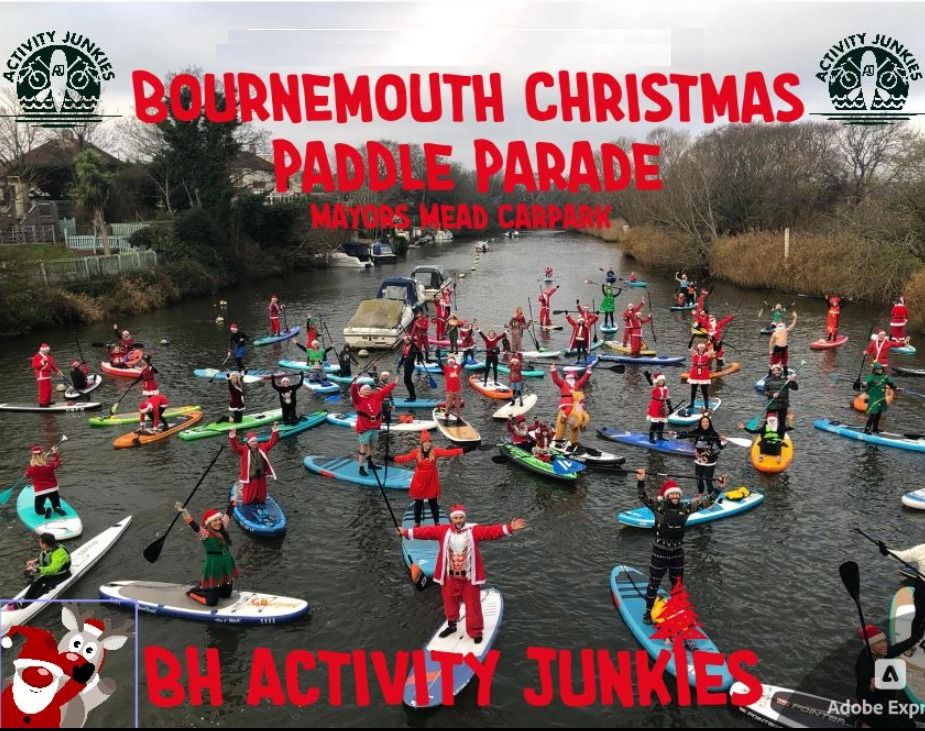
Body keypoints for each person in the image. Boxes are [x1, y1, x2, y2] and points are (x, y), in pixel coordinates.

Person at [396, 505, 526, 641]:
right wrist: (405, 532)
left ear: (465, 518)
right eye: (456, 518)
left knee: (473, 605)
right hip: (449, 578)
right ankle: (452, 626)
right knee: (449, 603)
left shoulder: (473, 531)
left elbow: (491, 532)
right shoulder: (442, 531)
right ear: (452, 519)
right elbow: (425, 532)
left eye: (461, 517)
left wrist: (510, 528)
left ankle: (475, 632)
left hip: (468, 579)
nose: (459, 520)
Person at [636, 468, 726, 624]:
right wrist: (641, 480)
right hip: (660, 553)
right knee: (654, 583)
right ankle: (648, 613)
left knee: (678, 585)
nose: (675, 496)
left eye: (677, 493)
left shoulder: (686, 508)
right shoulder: (658, 507)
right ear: (666, 496)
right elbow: (642, 497)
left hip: (677, 553)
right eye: (672, 493)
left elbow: (707, 502)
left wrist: (718, 488)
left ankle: (677, 612)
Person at [176, 495, 239, 607]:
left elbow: (229, 513)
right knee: (211, 603)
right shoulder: (205, 533)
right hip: (213, 566)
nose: (218, 522)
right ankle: (193, 592)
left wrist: (235, 497)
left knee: (226, 595)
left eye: (219, 519)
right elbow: (194, 526)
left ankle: (206, 587)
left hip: (225, 563)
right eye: (214, 520)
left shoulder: (222, 526)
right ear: (209, 523)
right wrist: (184, 512)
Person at [854, 623, 921, 728]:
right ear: (870, 645)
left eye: (884, 641)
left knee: (911, 726)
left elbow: (898, 648)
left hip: (888, 703)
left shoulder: (882, 652)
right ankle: (865, 722)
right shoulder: (864, 665)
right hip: (873, 709)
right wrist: (871, 688)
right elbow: (862, 694)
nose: (884, 645)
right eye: (878, 643)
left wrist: (916, 637)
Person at [392, 431, 463, 527]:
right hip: (419, 482)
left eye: (429, 441)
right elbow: (404, 458)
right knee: (418, 504)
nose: (428, 443)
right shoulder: (416, 452)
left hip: (431, 481)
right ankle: (417, 523)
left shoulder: (435, 451)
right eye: (425, 441)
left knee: (433, 504)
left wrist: (465, 449)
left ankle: (437, 523)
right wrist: (391, 458)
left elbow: (449, 453)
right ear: (422, 442)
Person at [4, 533, 71, 610]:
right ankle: (25, 600)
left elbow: (53, 568)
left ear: (45, 544)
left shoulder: (59, 553)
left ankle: (26, 605)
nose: (39, 543)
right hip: (51, 575)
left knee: (43, 589)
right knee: (35, 584)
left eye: (40, 542)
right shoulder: (49, 548)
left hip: (61, 575)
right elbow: (47, 558)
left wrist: (37, 569)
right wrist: (34, 561)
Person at [351, 376, 396, 476]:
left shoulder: (376, 396)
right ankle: (361, 467)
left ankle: (370, 463)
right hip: (364, 428)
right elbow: (353, 393)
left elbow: (385, 390)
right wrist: (354, 383)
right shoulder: (358, 400)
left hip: (375, 427)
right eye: (365, 389)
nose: (367, 390)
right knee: (364, 447)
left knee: (373, 446)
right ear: (361, 392)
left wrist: (394, 383)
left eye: (369, 389)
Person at [229, 426, 279, 504]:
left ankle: (259, 499)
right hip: (250, 478)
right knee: (247, 501)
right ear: (249, 442)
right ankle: (241, 492)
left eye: (256, 441)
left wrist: (275, 431)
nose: (255, 443)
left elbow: (273, 442)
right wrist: (232, 436)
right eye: (253, 441)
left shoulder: (263, 447)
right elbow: (235, 446)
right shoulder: (244, 450)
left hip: (261, 476)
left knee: (262, 499)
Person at [678, 415, 726, 495]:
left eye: (707, 422)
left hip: (709, 461)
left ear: (709, 423)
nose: (705, 423)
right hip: (699, 460)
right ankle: (700, 495)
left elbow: (720, 447)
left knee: (708, 480)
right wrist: (677, 434)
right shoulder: (697, 432)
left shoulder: (714, 434)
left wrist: (723, 441)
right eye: (703, 422)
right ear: (701, 423)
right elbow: (686, 434)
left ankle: (711, 496)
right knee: (699, 479)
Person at [550, 364, 591, 446]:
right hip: (565, 406)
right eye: (570, 377)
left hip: (576, 408)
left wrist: (588, 371)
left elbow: (585, 379)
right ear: (566, 378)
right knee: (561, 424)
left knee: (575, 425)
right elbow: (555, 379)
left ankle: (574, 442)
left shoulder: (577, 384)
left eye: (572, 378)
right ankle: (558, 441)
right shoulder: (563, 383)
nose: (571, 379)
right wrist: (553, 370)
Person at [25, 444, 65, 517]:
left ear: (33, 457)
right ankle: (56, 508)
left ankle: (45, 510)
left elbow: (27, 476)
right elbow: (58, 462)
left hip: (41, 492)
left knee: (38, 509)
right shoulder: (50, 465)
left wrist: (27, 473)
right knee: (56, 504)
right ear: (43, 455)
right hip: (53, 489)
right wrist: (55, 453)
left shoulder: (31, 469)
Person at [858, 361, 896, 434]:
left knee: (879, 414)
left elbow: (891, 384)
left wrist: (896, 388)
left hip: (881, 398)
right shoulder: (871, 377)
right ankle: (866, 429)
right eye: (878, 369)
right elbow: (864, 385)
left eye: (881, 369)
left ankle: (875, 429)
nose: (880, 370)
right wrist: (864, 384)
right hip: (874, 398)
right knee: (873, 414)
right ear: (875, 370)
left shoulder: (885, 376)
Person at [763, 363, 798, 436]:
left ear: (780, 371)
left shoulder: (786, 380)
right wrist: (772, 394)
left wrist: (793, 381)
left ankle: (781, 437)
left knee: (782, 423)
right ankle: (767, 437)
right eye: (774, 370)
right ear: (772, 371)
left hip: (783, 405)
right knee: (768, 422)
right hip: (772, 405)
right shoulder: (768, 380)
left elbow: (795, 388)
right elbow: (764, 392)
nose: (776, 372)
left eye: (778, 370)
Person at [686, 342, 714, 414]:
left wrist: (716, 343)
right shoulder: (694, 353)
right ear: (698, 348)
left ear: (704, 349)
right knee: (693, 390)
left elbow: (715, 349)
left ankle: (706, 406)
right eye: (700, 348)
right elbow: (689, 347)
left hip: (704, 373)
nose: (701, 349)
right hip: (695, 373)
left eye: (702, 348)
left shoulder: (707, 354)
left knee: (704, 391)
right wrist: (692, 339)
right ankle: (692, 404)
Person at [646, 372, 672, 443]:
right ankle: (651, 437)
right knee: (654, 423)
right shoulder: (655, 387)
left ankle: (659, 436)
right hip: (655, 405)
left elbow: (667, 397)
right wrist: (648, 378)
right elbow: (651, 383)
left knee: (661, 422)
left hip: (662, 405)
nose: (661, 382)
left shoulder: (665, 388)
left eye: (662, 380)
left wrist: (670, 407)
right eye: (660, 380)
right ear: (657, 381)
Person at [397, 334, 423, 401]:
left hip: (410, 365)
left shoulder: (413, 347)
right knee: (407, 381)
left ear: (410, 340)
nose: (405, 341)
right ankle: (412, 396)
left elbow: (415, 355)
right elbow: (403, 356)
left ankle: (412, 397)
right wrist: (399, 365)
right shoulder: (405, 346)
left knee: (407, 380)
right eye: (404, 340)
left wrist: (419, 360)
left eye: (406, 340)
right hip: (406, 365)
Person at [442, 354, 464, 423]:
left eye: (452, 362)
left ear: (454, 363)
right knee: (449, 404)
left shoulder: (457, 368)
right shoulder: (446, 369)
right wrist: (439, 356)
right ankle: (446, 417)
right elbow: (439, 363)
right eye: (450, 362)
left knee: (458, 405)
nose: (451, 363)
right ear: (448, 363)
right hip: (450, 390)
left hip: (457, 390)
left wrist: (468, 352)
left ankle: (458, 417)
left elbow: (465, 362)